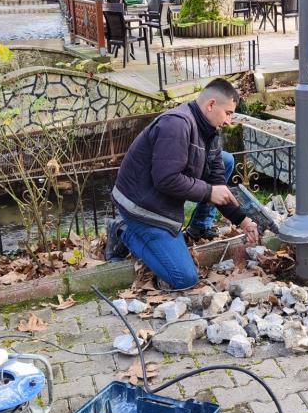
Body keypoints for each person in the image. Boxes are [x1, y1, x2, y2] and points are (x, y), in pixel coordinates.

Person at [107, 78, 259, 289]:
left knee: (225, 160)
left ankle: (199, 227)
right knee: (183, 278)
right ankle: (123, 231)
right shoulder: (176, 124)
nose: (229, 121)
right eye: (228, 113)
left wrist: (242, 219)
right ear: (211, 105)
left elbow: (217, 183)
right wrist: (208, 192)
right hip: (141, 205)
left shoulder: (211, 131)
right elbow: (166, 179)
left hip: (160, 198)